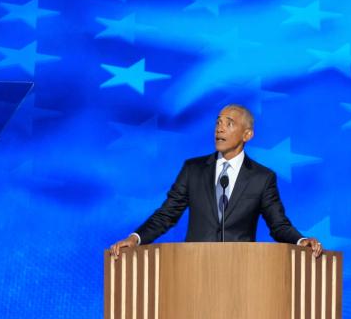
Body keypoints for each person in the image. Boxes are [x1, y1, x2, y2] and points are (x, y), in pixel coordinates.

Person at [107, 105, 323, 256]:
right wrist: (136, 238)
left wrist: (301, 241)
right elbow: (167, 214)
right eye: (218, 122)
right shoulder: (193, 170)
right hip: (193, 266)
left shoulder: (262, 178)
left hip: (243, 270)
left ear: (247, 135)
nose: (219, 128)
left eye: (229, 123)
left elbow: (278, 225)